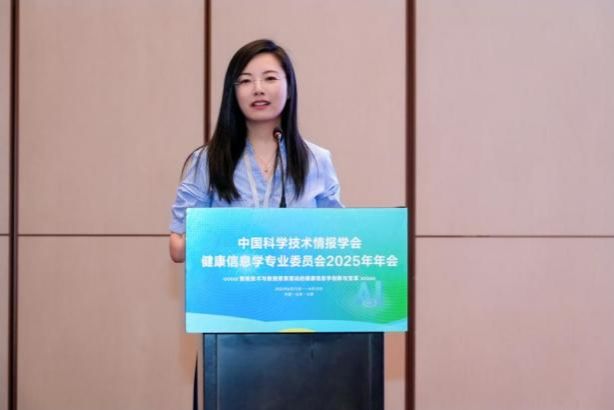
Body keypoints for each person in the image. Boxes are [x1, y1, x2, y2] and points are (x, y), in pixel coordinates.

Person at [169, 39, 342, 262]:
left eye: (270, 78)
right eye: (245, 81)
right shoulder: (207, 160)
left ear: (289, 88)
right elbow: (177, 249)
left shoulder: (317, 160)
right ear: (233, 93)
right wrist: (228, 231)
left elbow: (338, 240)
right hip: (231, 282)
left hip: (297, 282)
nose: (258, 89)